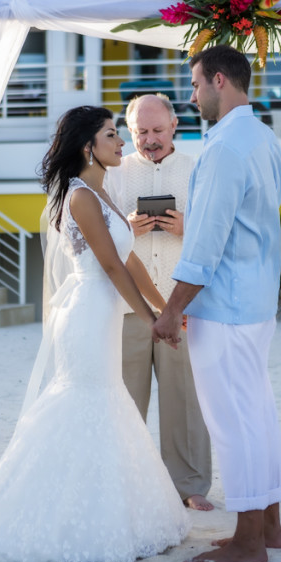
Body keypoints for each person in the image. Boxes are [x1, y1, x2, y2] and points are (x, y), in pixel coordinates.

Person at [0, 106, 190, 562]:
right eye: (112, 135)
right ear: (88, 146)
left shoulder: (103, 191)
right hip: (88, 316)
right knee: (85, 404)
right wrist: (153, 320)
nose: (121, 143)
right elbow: (110, 267)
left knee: (105, 404)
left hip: (105, 314)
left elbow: (130, 262)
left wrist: (165, 308)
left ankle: (105, 511)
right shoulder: (81, 198)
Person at [152, 46, 281, 562]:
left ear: (220, 81)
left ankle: (249, 541)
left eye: (195, 86)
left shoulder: (225, 147)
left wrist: (170, 310)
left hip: (227, 306)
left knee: (233, 423)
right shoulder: (263, 137)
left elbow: (205, 241)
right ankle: (270, 526)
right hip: (255, 302)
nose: (192, 96)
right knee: (258, 414)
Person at [105, 94, 212, 511]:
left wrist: (188, 228)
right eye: (140, 132)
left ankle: (190, 486)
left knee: (185, 398)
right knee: (124, 400)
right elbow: (98, 238)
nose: (149, 140)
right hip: (128, 306)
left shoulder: (197, 169)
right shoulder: (114, 174)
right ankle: (125, 482)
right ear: (130, 132)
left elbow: (217, 230)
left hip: (180, 304)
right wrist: (126, 228)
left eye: (156, 131)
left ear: (174, 128)